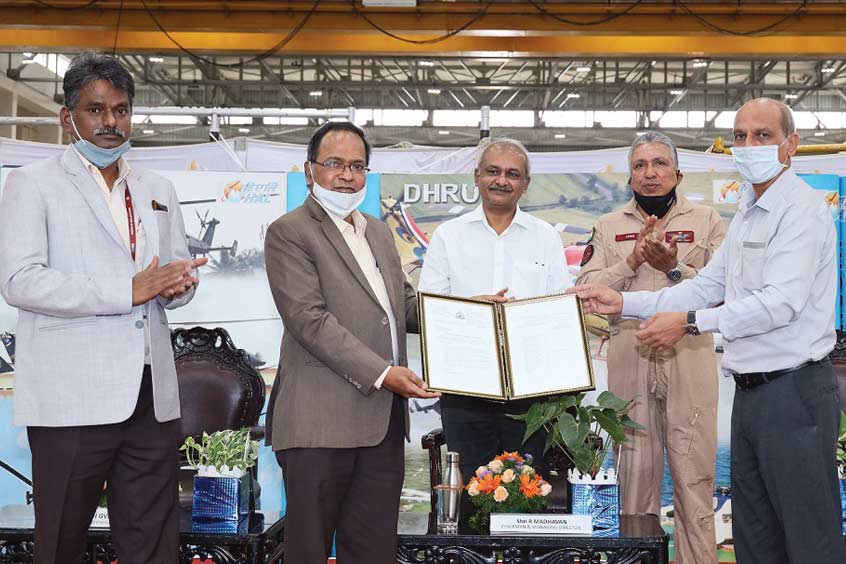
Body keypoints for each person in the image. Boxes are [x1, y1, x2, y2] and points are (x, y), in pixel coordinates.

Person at [574, 98, 846, 564]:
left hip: (795, 391)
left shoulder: (801, 210)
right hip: (752, 393)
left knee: (809, 538)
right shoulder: (747, 211)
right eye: (739, 137)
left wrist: (689, 323)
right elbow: (707, 287)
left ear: (791, 145)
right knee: (755, 536)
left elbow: (779, 304)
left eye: (762, 136)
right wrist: (625, 301)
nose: (748, 146)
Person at [0, 52, 206, 564]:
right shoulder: (33, 183)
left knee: (153, 542)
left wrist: (178, 287)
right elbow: (19, 281)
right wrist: (128, 289)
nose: (111, 122)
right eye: (96, 110)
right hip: (72, 398)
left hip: (150, 394)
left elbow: (173, 270)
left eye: (120, 109)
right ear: (67, 117)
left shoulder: (157, 189)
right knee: (61, 543)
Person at [264, 121, 439, 564]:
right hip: (319, 423)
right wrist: (384, 373)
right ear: (310, 171)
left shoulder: (378, 231)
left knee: (373, 550)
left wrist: (468, 314)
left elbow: (404, 306)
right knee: (308, 550)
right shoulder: (289, 231)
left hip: (381, 426)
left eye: (357, 166)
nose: (347, 176)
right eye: (335, 164)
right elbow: (309, 320)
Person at [577, 131, 726, 564]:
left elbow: (725, 293)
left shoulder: (707, 220)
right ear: (630, 177)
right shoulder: (608, 227)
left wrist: (674, 269)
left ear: (678, 173)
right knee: (634, 476)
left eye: (659, 164)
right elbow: (585, 289)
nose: (650, 173)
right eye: (640, 166)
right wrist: (632, 261)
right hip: (630, 351)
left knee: (693, 474)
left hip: (690, 351)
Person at [418, 138, 571, 480]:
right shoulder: (448, 235)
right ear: (476, 177)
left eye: (512, 174)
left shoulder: (544, 237)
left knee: (529, 492)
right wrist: (473, 310)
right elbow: (430, 310)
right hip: (465, 387)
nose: (502, 180)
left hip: (531, 390)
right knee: (473, 491)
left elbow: (558, 308)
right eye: (493, 171)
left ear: (525, 184)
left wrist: (524, 317)